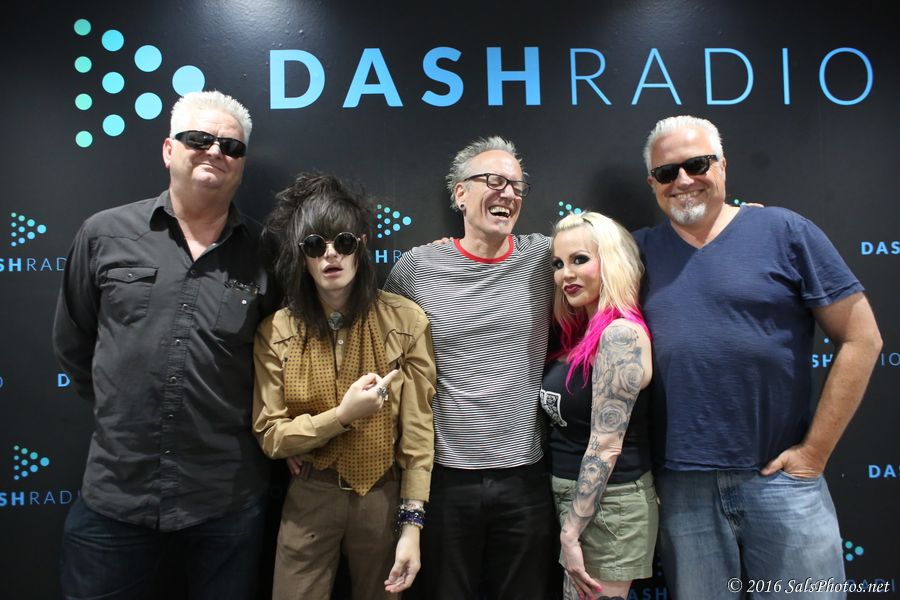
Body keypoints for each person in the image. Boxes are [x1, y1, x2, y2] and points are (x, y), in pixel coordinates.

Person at [633, 115, 882, 599]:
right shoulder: (635, 253)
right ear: (653, 184)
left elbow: (862, 338)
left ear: (722, 166)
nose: (683, 180)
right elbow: (569, 261)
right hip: (683, 491)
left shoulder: (783, 230)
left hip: (784, 482)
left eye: (697, 164)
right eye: (666, 172)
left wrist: (814, 454)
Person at [52, 90, 278, 599]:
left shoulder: (268, 252)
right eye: (199, 139)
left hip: (226, 503)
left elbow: (280, 363)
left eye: (231, 146)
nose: (215, 151)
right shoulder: (104, 235)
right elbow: (74, 344)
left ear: (242, 163)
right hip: (117, 495)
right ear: (168, 149)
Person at [384, 137, 558, 599]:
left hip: (525, 477)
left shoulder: (544, 258)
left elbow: (608, 257)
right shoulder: (416, 268)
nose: (508, 193)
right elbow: (380, 351)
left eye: (517, 186)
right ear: (460, 193)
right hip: (443, 479)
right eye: (494, 181)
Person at [252, 173, 436, 600]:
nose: (330, 254)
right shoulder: (277, 332)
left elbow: (417, 434)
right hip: (310, 497)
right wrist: (341, 417)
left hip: (382, 496)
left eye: (344, 242)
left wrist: (412, 525)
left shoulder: (405, 321)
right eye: (315, 245)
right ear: (302, 256)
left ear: (362, 246)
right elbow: (271, 435)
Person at [541, 211, 657, 600]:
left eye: (580, 259)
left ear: (612, 261)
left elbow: (606, 444)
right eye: (558, 264)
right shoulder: (580, 333)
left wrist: (572, 530)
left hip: (609, 506)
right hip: (579, 502)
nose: (566, 274)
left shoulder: (620, 336)